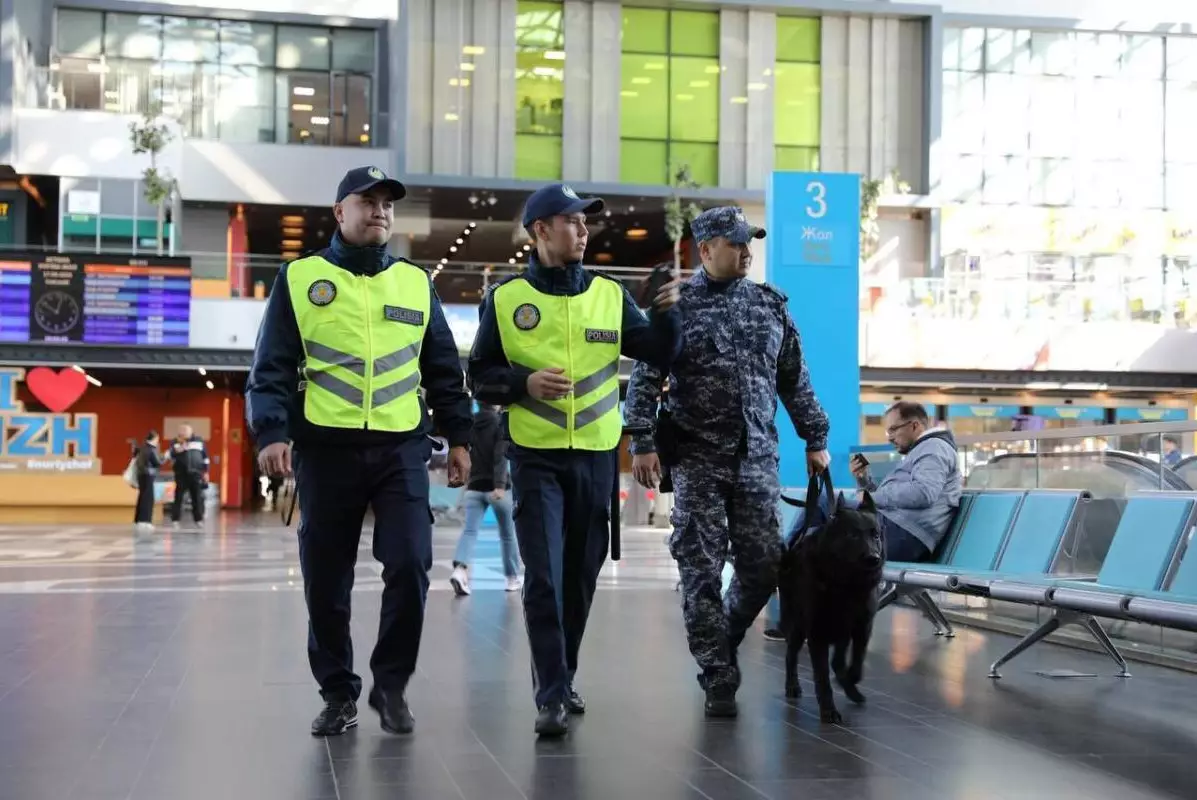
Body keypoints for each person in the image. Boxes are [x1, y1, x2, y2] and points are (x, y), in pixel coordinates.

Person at [245, 165, 473, 738]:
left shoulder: (415, 283)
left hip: (401, 449)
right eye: (366, 201)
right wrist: (272, 431)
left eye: (387, 204)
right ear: (338, 213)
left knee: (412, 565)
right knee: (326, 580)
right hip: (325, 450)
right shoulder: (300, 279)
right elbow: (270, 364)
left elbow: (444, 369)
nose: (379, 211)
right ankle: (338, 692)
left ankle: (390, 685)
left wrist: (461, 437)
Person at [468, 182, 682, 737]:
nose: (584, 231)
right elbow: (480, 375)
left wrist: (666, 316)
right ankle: (551, 695)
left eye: (587, 224)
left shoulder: (610, 296)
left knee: (579, 581)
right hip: (536, 460)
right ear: (540, 231)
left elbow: (659, 353)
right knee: (543, 577)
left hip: (593, 459)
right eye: (573, 222)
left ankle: (563, 676)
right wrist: (523, 384)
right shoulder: (507, 300)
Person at [625, 205, 830, 719]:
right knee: (700, 571)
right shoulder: (679, 306)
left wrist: (815, 436)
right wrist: (643, 440)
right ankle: (717, 673)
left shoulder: (769, 305)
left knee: (763, 568)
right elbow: (646, 378)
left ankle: (724, 638)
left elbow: (793, 378)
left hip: (757, 458)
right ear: (706, 248)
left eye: (749, 243)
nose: (746, 252)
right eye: (736, 243)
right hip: (697, 458)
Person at [850, 401, 962, 563]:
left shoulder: (934, 447)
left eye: (894, 429)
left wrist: (870, 497)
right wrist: (863, 480)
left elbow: (923, 493)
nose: (890, 438)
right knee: (825, 526)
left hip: (904, 533)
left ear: (914, 426)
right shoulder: (921, 451)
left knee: (823, 504)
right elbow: (886, 500)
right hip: (894, 528)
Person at [450, 403, 522, 595]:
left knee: (470, 531)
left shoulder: (470, 424)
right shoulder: (499, 423)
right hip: (497, 489)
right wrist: (499, 484)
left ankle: (460, 570)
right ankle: (512, 578)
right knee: (507, 535)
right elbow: (500, 455)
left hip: (474, 486)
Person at [169, 424, 209, 526]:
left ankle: (198, 519)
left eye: (185, 430)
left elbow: (205, 457)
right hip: (181, 474)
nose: (183, 432)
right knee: (178, 497)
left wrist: (206, 471)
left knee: (196, 497)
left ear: (191, 432)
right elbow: (172, 453)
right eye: (181, 431)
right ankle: (175, 519)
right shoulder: (175, 442)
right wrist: (182, 445)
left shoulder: (199, 441)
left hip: (196, 473)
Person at [133, 431, 162, 532]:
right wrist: (165, 457)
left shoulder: (141, 448)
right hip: (149, 475)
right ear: (154, 439)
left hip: (141, 475)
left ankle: (138, 520)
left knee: (142, 497)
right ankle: (146, 521)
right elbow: (157, 463)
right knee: (148, 499)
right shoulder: (151, 449)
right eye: (157, 439)